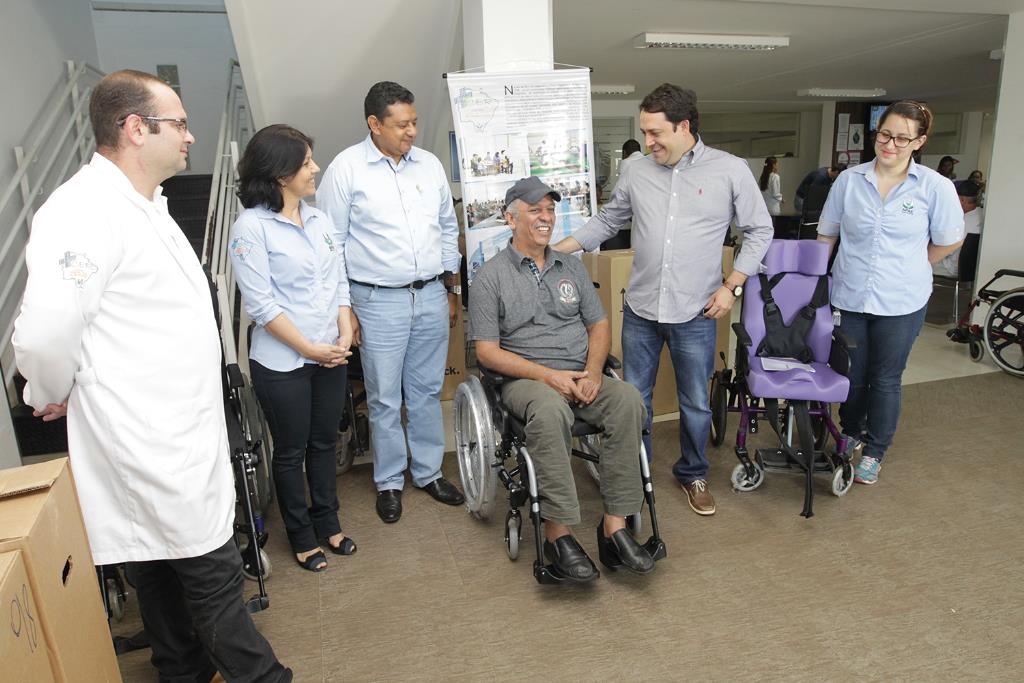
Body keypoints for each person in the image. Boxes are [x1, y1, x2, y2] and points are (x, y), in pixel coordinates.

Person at [12, 69, 290, 681]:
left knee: (162, 584)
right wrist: (51, 389)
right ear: (136, 129)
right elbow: (46, 331)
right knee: (213, 581)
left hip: (176, 433)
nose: (191, 137)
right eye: (180, 124)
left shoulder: (146, 206)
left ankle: (180, 671)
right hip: (149, 445)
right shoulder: (83, 210)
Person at [554, 83, 773, 516]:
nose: (648, 141)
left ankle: (692, 473)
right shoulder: (636, 169)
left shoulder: (729, 170)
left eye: (655, 132)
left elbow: (760, 230)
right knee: (636, 399)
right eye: (644, 131)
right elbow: (609, 218)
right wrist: (557, 251)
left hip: (696, 311)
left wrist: (732, 285)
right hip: (640, 309)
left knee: (694, 401)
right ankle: (637, 472)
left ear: (684, 126)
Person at [469, 177, 654, 582]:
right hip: (527, 380)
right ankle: (558, 533)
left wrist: (591, 373)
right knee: (551, 412)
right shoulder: (489, 278)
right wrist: (549, 376)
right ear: (510, 216)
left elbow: (599, 325)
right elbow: (486, 351)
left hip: (581, 372)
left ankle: (615, 526)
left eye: (550, 210)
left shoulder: (570, 265)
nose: (546, 218)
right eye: (535, 210)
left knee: (628, 400)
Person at [317, 81, 465, 524]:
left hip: (431, 295)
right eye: (402, 125)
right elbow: (332, 246)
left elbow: (446, 227)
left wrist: (451, 288)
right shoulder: (346, 169)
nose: (412, 132)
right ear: (374, 124)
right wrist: (346, 311)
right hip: (377, 301)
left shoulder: (430, 165)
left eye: (415, 122)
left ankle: (428, 471)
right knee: (383, 398)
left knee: (424, 392)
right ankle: (388, 481)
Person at [229, 124, 356, 572]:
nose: (315, 169)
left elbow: (338, 280)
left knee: (325, 443)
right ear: (280, 173)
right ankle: (301, 536)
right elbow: (262, 306)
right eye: (305, 163)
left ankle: (329, 523)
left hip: (330, 354)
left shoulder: (319, 218)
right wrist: (311, 348)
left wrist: (342, 334)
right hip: (283, 362)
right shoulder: (251, 228)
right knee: (291, 450)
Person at [817, 100, 964, 485]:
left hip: (902, 300)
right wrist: (814, 282)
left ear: (919, 141)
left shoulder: (936, 187)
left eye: (902, 138)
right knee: (853, 373)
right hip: (850, 295)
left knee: (885, 377)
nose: (891, 144)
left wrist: (915, 263)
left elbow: (950, 240)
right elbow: (826, 235)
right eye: (885, 135)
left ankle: (877, 448)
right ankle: (850, 432)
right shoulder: (850, 181)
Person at [933, 179, 983, 278]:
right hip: (971, 268)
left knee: (915, 264)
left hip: (952, 268)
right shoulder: (981, 214)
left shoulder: (961, 222)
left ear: (963, 200)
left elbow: (945, 249)